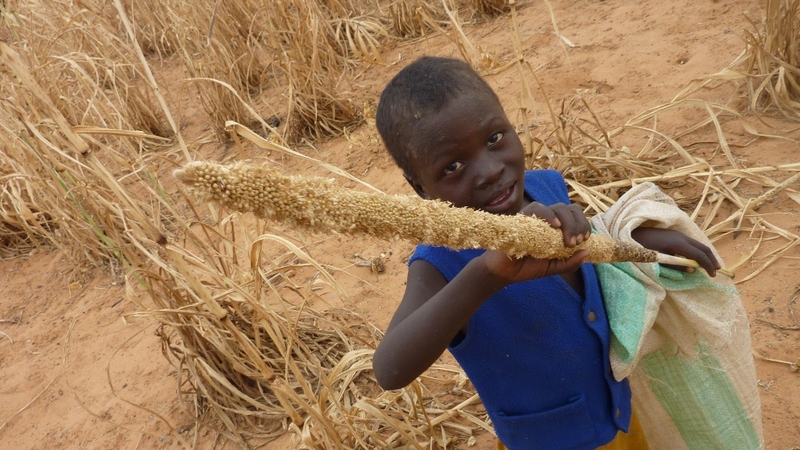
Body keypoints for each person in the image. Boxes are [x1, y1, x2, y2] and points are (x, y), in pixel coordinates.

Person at [371, 56, 721, 450]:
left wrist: (639, 243)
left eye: (494, 139)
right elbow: (389, 369)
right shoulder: (440, 262)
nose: (488, 170)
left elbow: (587, 249)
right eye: (452, 166)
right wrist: (486, 275)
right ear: (419, 187)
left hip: (618, 413)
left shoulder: (546, 188)